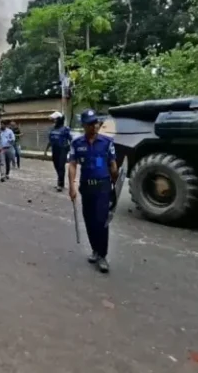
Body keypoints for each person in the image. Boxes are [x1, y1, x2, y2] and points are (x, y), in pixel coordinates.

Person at [68, 109, 118, 274]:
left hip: (103, 186)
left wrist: (115, 185)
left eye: (95, 123)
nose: (94, 126)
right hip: (86, 187)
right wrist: (72, 186)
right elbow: (73, 164)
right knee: (89, 220)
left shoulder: (107, 142)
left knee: (101, 221)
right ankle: (95, 250)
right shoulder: (77, 143)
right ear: (83, 125)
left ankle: (103, 255)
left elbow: (112, 165)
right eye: (90, 124)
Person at [44, 111, 72, 192]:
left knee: (61, 167)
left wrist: (70, 150)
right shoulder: (52, 129)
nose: (54, 121)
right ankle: (61, 182)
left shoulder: (65, 129)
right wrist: (46, 150)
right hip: (54, 150)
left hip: (63, 150)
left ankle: (59, 184)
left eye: (55, 119)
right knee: (56, 166)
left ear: (60, 120)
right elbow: (50, 141)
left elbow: (71, 140)